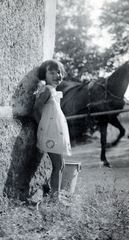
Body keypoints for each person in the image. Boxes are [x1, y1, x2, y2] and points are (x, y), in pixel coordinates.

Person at [33, 59, 71, 202]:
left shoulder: (53, 91)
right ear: (45, 75)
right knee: (58, 165)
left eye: (59, 72)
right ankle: (55, 198)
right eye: (52, 73)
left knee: (60, 164)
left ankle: (52, 193)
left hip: (55, 132)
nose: (57, 75)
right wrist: (42, 127)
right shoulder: (47, 90)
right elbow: (36, 109)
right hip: (50, 133)